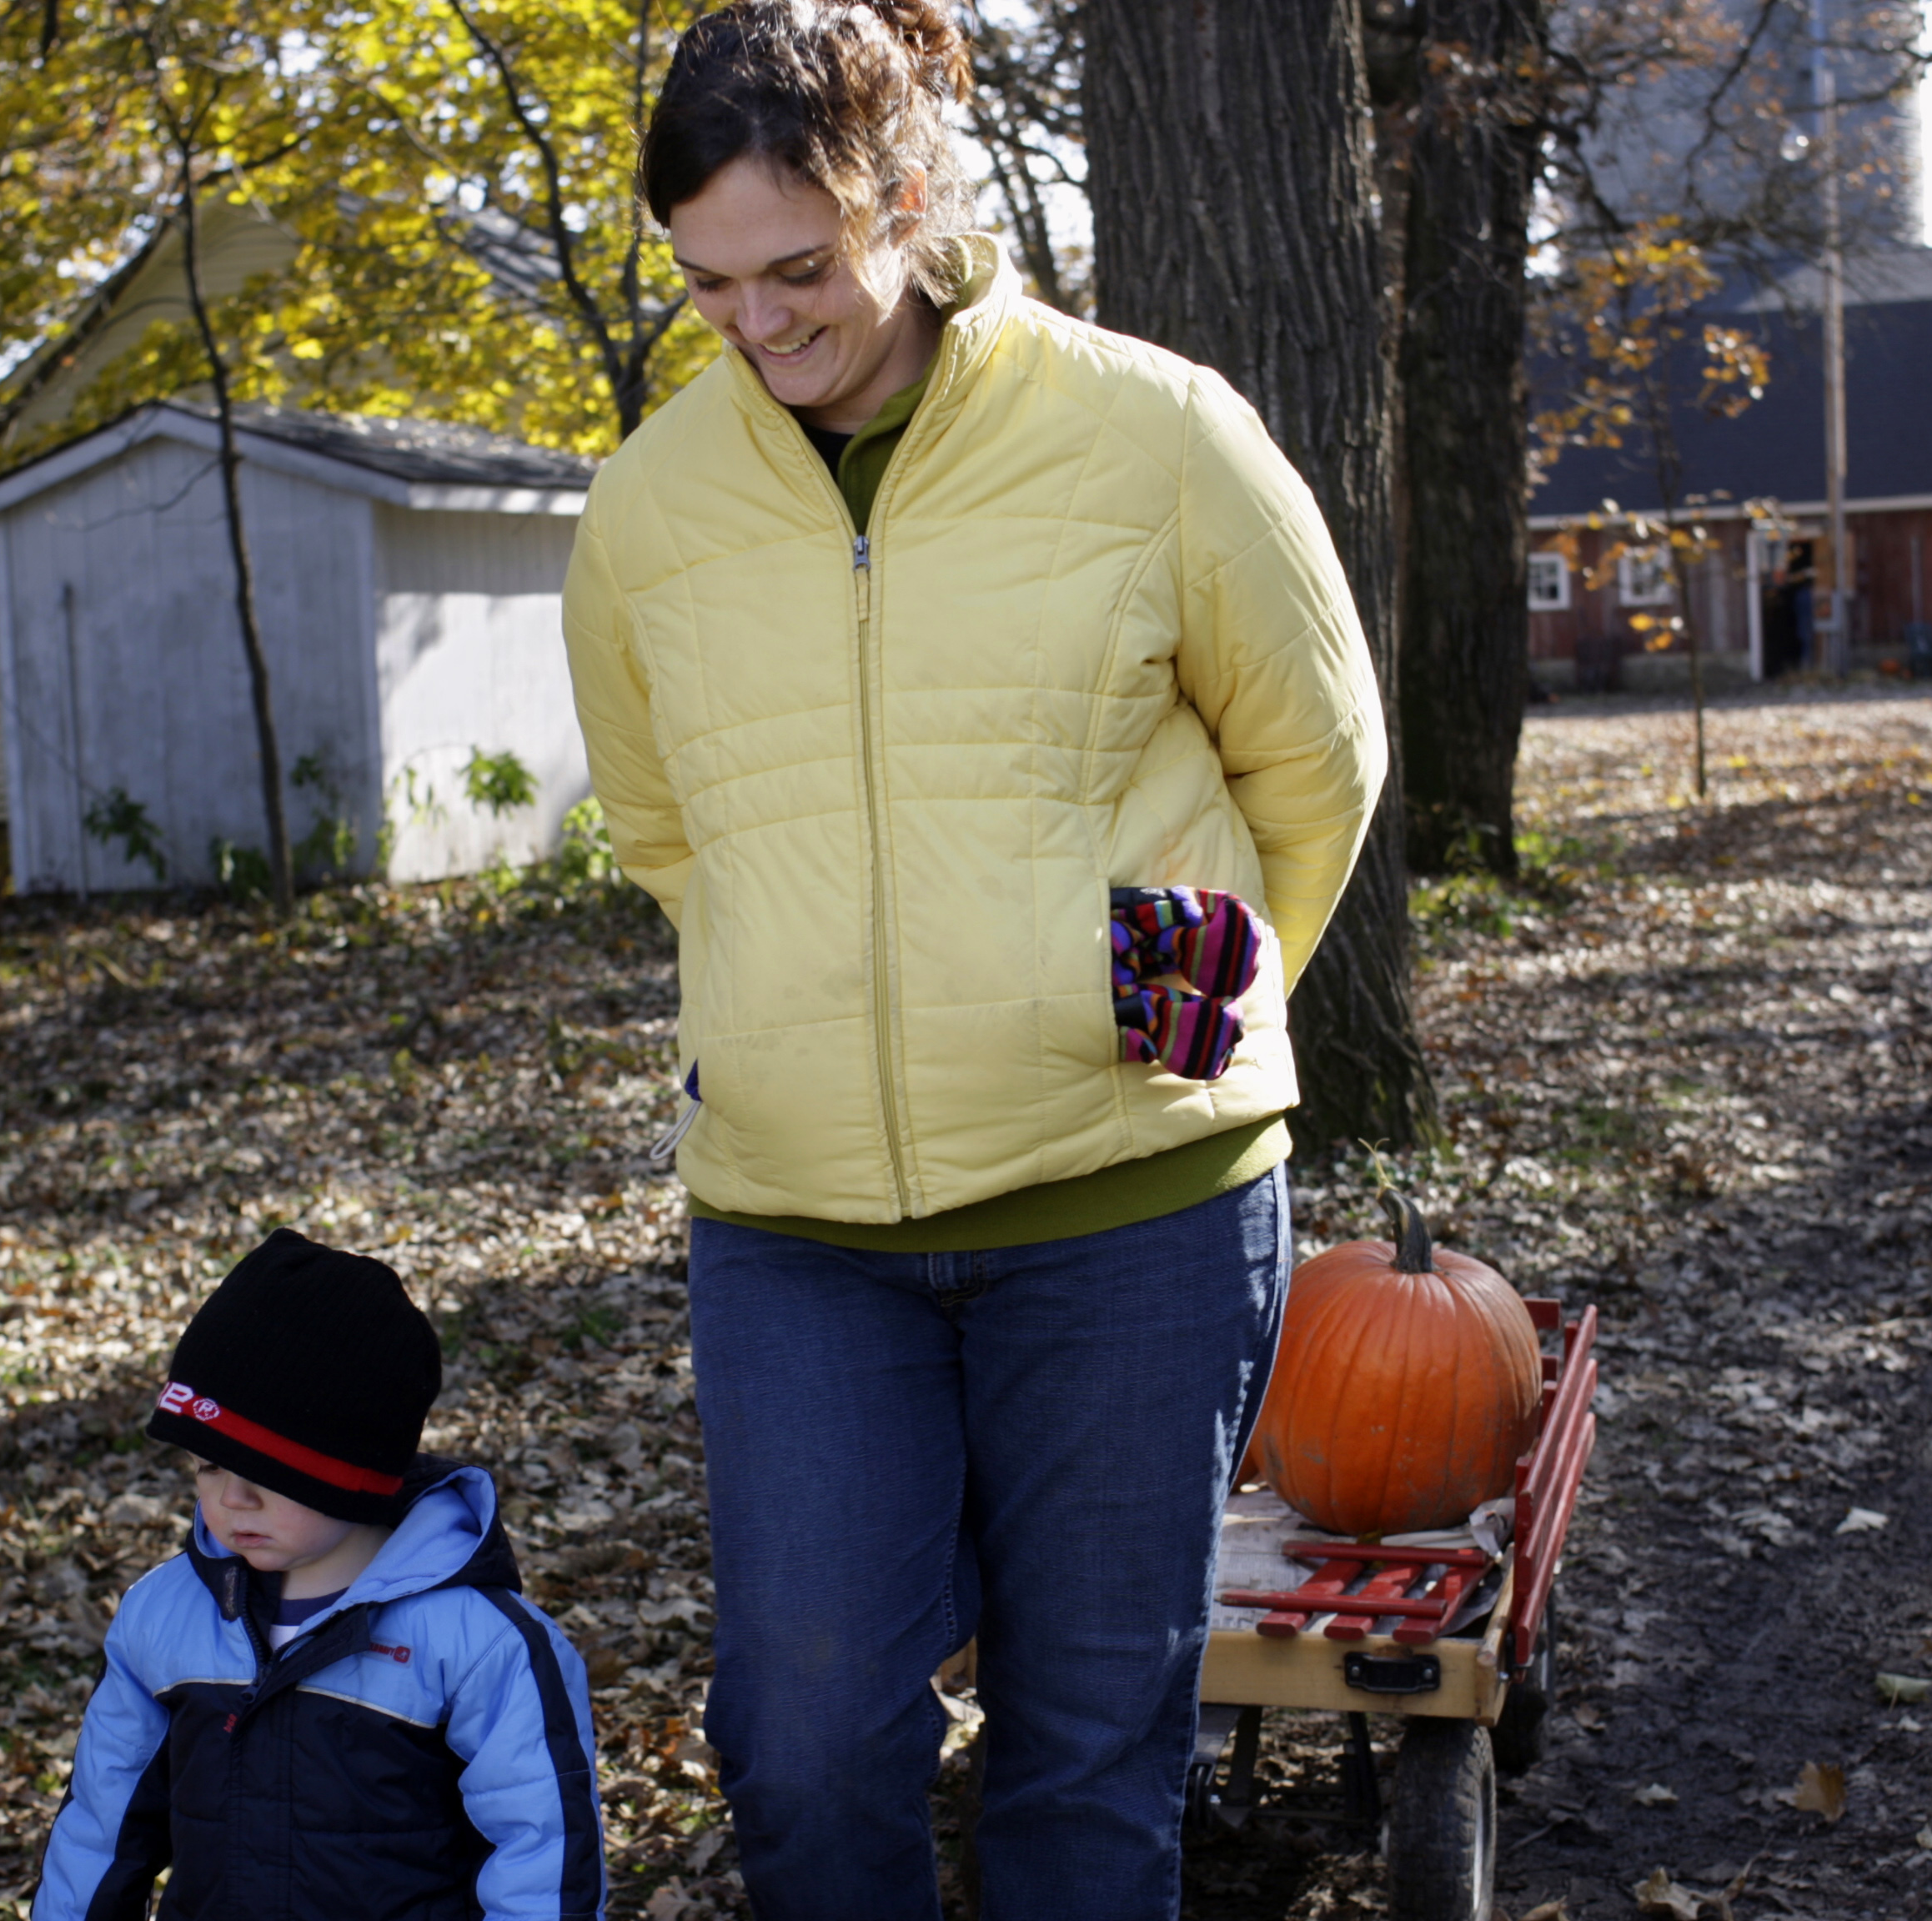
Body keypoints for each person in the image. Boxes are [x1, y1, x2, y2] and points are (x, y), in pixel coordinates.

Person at [559, 4, 1388, 1914]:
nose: (759, 327)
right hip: (799, 1232)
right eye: (707, 286)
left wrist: (1165, 1024)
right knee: (807, 1736)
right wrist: (802, 1016)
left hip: (1135, 1214)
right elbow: (668, 830)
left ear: (908, 202)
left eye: (799, 270)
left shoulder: (1153, 432)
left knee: (1089, 1762)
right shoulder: (647, 510)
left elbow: (1313, 772)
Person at [33, 1230, 604, 1921]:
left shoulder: (477, 1642)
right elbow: (101, 1824)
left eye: (268, 1477)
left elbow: (540, 1855)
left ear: (352, 1479)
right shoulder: (165, 1616)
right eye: (210, 1468)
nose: (231, 1502)